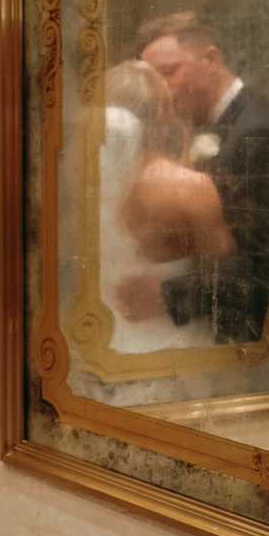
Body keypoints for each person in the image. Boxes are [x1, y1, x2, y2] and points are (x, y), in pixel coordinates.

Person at [127, 12, 269, 343]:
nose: (161, 92)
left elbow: (266, 268)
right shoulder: (211, 123)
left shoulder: (257, 132)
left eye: (169, 72)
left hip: (255, 337)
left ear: (211, 59)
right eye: (153, 81)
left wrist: (166, 295)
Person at [101, 60, 229, 353]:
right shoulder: (191, 189)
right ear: (164, 115)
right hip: (174, 345)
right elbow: (226, 282)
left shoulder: (87, 186)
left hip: (105, 339)